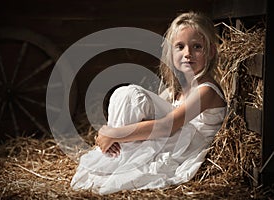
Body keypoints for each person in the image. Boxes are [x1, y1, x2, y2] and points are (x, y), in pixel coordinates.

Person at [70, 11, 227, 195]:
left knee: (131, 95)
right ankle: (113, 154)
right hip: (175, 140)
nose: (188, 54)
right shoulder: (175, 91)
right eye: (180, 46)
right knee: (126, 96)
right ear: (171, 51)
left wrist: (114, 133)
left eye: (197, 47)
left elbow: (168, 125)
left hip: (186, 146)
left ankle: (113, 153)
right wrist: (109, 132)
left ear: (211, 52)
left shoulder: (206, 91)